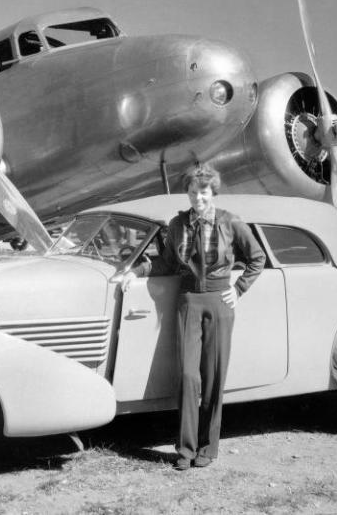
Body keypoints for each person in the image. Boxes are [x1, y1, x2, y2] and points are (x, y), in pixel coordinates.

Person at [122, 164, 266, 470]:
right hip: (188, 301)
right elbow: (166, 263)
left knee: (214, 377)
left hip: (219, 303)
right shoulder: (178, 224)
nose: (197, 198)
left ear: (212, 192)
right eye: (191, 192)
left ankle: (208, 448)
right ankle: (184, 450)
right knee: (188, 376)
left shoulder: (230, 222)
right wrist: (136, 271)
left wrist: (239, 289)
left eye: (202, 192)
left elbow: (257, 258)